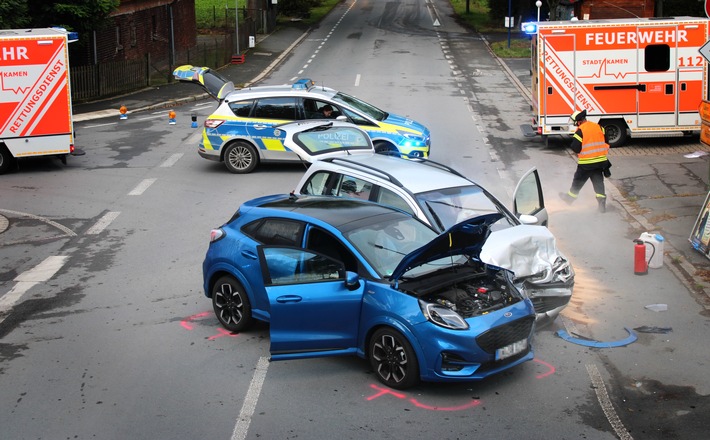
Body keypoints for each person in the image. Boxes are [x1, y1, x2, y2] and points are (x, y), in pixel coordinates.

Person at [559, 109, 612, 212]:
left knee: (578, 181)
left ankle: (570, 198)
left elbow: (575, 148)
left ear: (579, 121)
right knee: (598, 183)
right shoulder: (598, 126)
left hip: (586, 163)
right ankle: (601, 204)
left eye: (575, 123)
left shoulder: (580, 130)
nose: (575, 125)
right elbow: (607, 141)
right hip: (600, 162)